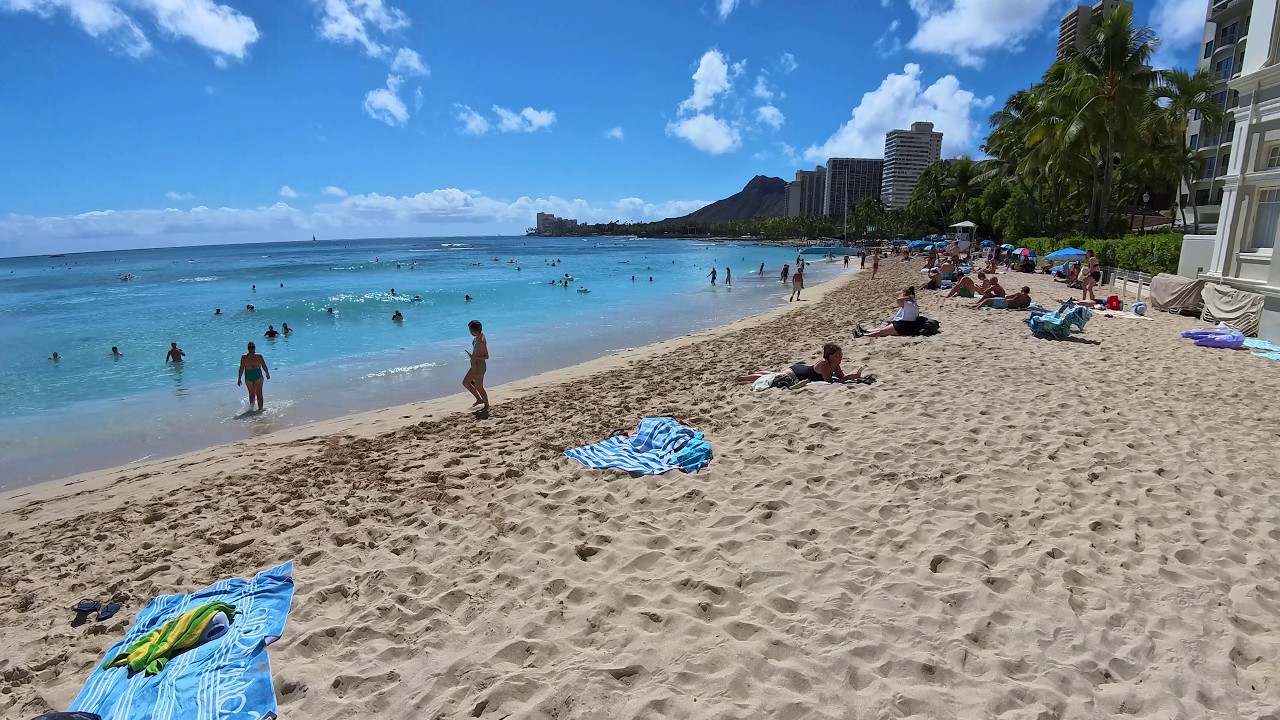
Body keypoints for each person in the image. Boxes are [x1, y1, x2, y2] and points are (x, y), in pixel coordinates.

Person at [736, 343, 861, 384]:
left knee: (773, 374)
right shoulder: (824, 363)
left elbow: (840, 378)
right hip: (796, 373)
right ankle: (743, 378)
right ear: (830, 356)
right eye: (839, 355)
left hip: (803, 370)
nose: (841, 357)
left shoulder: (835, 365)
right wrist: (848, 378)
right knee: (771, 376)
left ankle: (753, 373)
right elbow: (829, 381)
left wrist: (851, 376)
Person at [855, 287, 923, 338]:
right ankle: (865, 331)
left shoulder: (908, 304)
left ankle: (863, 335)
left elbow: (898, 300)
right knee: (882, 329)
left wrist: (909, 297)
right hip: (904, 324)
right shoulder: (914, 304)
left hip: (903, 326)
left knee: (881, 332)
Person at [463, 320, 490, 411]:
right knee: (466, 382)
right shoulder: (477, 337)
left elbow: (486, 356)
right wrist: (473, 356)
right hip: (475, 365)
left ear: (475, 330)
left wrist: (476, 357)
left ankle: (486, 405)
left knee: (479, 387)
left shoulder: (481, 341)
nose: (470, 332)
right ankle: (479, 399)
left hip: (479, 366)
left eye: (470, 330)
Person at [237, 341, 270, 412]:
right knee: (259, 394)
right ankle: (260, 410)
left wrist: (239, 378)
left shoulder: (244, 357)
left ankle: (252, 411)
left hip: (249, 376)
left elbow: (241, 368)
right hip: (257, 374)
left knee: (252, 394)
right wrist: (267, 373)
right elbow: (264, 365)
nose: (251, 349)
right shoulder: (258, 356)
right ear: (254, 348)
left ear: (248, 349)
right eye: (251, 348)